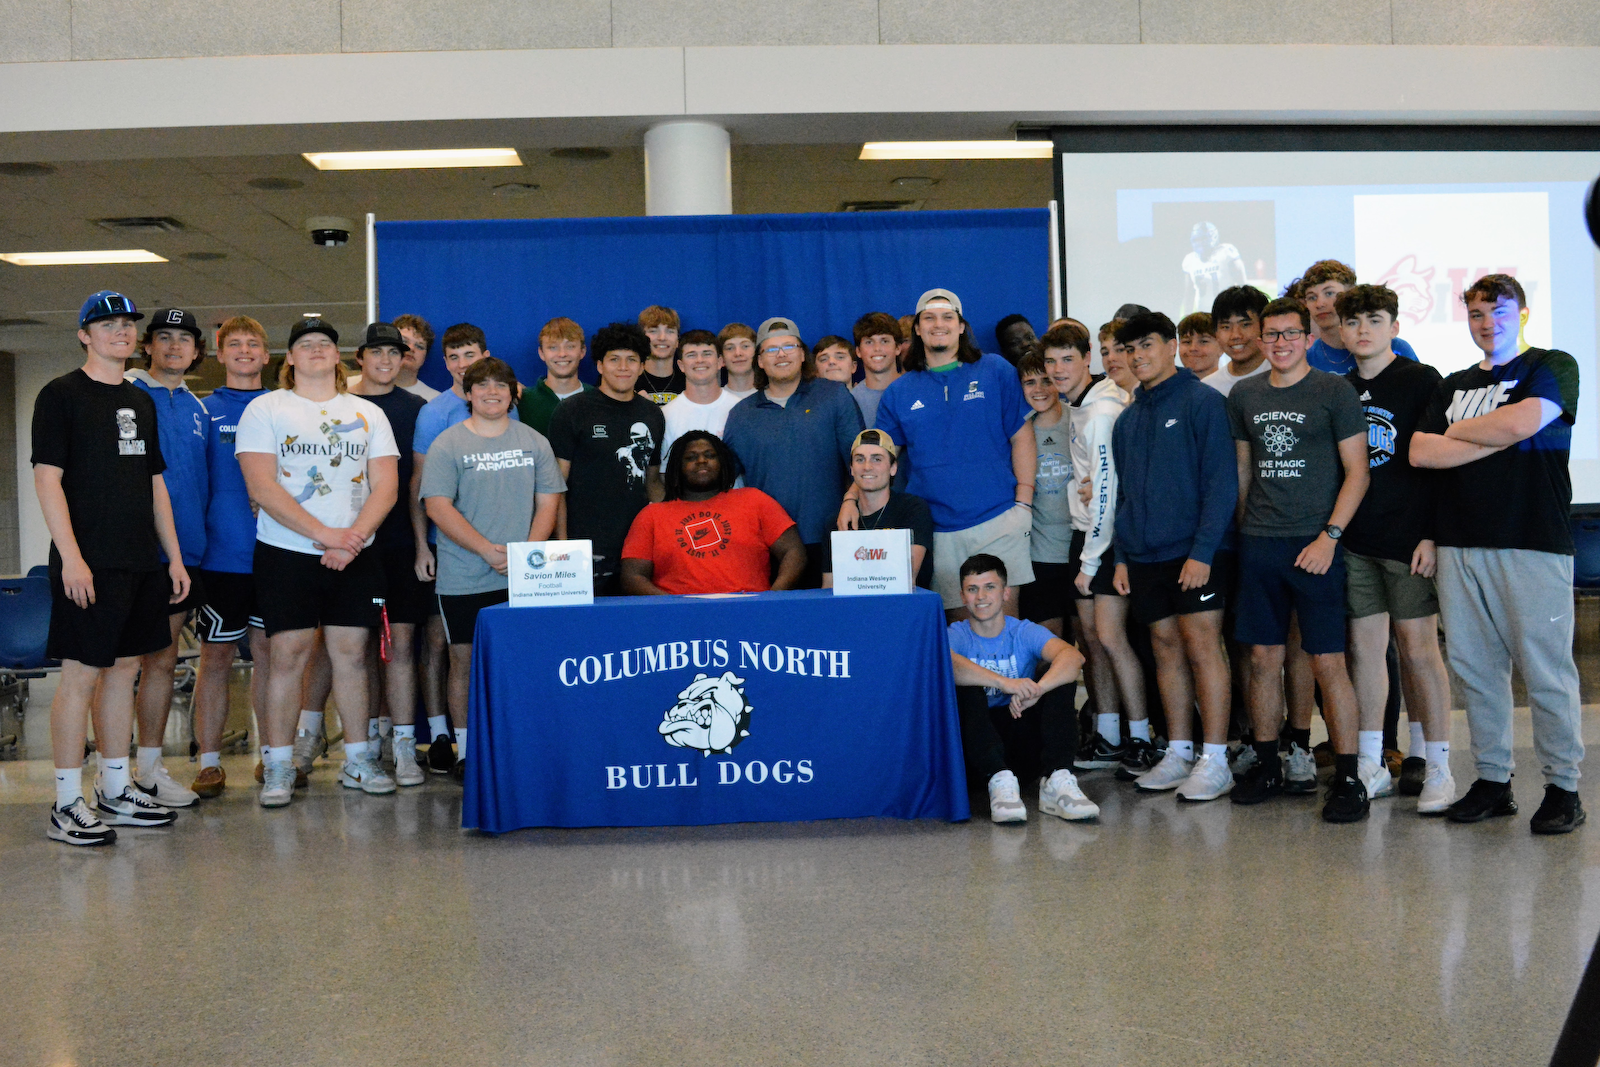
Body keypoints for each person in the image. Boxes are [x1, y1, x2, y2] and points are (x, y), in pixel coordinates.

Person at [1412, 273, 1586, 834]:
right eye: (1477, 314)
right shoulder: (1452, 384)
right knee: (1475, 670)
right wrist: (1495, 438)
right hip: (1459, 542)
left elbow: (1522, 421)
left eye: (1500, 312)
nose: (1488, 324)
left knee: (1545, 672)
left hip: (1532, 539)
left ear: (1523, 315)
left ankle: (1563, 788)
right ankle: (1492, 781)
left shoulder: (1552, 366)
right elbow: (1420, 453)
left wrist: (1461, 435)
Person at [33, 291, 188, 844]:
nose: (121, 331)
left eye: (127, 323)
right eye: (107, 324)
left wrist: (172, 556)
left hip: (140, 559)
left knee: (125, 671)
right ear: (84, 335)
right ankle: (66, 802)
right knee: (80, 676)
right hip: (88, 562)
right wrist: (72, 557)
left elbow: (154, 483)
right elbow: (47, 479)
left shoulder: (139, 400)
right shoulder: (60, 395)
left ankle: (116, 788)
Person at [235, 317, 400, 807]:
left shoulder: (367, 413)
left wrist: (351, 540)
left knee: (352, 655)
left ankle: (358, 759)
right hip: (287, 553)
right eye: (305, 344)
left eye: (324, 343)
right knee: (287, 657)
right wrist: (325, 535)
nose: (315, 350)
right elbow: (261, 486)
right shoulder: (266, 408)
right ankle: (279, 765)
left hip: (356, 553)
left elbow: (386, 486)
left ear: (337, 355)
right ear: (289, 357)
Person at [1227, 297, 1371, 822]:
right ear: (1260, 340)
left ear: (1308, 338)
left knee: (1328, 662)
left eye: (1291, 333)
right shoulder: (1245, 394)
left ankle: (1349, 779)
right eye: (1272, 334)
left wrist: (1329, 537)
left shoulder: (1334, 391)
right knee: (1263, 659)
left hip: (1317, 546)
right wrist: (1245, 536)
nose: (1281, 342)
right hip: (1261, 545)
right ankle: (1269, 763)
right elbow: (1244, 472)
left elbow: (1358, 472)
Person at [1108, 311, 1238, 800]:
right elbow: (1125, 494)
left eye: (1147, 345)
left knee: (1202, 646)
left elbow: (1221, 483)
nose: (1137, 356)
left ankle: (1216, 758)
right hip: (1145, 555)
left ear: (1170, 346)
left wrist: (1203, 552)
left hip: (1197, 553)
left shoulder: (1202, 402)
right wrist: (1122, 556)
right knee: (1164, 648)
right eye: (1129, 348)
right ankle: (1180, 751)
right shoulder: (1128, 418)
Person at [1334, 284, 1454, 812]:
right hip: (1356, 542)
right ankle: (1371, 761)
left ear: (1395, 328)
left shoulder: (1421, 380)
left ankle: (1439, 765)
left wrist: (1431, 533)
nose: (1363, 330)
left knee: (1418, 650)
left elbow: (1438, 462)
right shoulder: (1337, 389)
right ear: (1340, 332)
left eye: (1375, 320)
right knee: (1365, 650)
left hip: (1409, 541)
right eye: (1353, 322)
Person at [422, 357, 563, 782]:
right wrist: (486, 550)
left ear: (513, 393)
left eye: (500, 385)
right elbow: (437, 507)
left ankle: (524, 748)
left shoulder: (534, 441)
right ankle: (468, 753)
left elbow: (549, 502)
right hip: (464, 575)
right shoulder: (447, 444)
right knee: (463, 661)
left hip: (525, 576)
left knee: (523, 663)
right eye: (481, 385)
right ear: (468, 394)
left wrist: (526, 557)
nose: (491, 392)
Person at [867, 289, 1035, 618]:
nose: (938, 324)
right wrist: (851, 497)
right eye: (929, 318)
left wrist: (1024, 504)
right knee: (958, 634)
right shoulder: (899, 391)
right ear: (918, 329)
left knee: (1004, 627)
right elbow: (878, 457)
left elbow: (1022, 436)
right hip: (937, 530)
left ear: (961, 326)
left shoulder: (995, 370)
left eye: (947, 317)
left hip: (1000, 519)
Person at [411, 322, 511, 771]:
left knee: (497, 649)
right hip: (447, 548)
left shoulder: (507, 403)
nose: (461, 364)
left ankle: (499, 741)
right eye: (453, 357)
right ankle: (441, 736)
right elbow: (420, 486)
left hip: (505, 553)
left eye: (469, 355)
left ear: (485, 356)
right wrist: (422, 545)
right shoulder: (435, 413)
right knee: (442, 643)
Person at [123, 307, 209, 807]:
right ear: (148, 345)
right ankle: (114, 774)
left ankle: (150, 770)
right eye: (165, 337)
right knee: (121, 665)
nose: (175, 346)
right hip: (136, 551)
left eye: (184, 339)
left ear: (196, 351)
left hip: (186, 553)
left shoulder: (198, 408)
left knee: (163, 658)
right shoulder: (129, 394)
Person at [189, 316, 275, 798]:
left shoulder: (285, 408)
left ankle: (273, 756)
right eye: (234, 344)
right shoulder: (204, 411)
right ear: (219, 354)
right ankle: (209, 762)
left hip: (278, 555)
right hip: (221, 558)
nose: (244, 351)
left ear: (267, 354)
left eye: (253, 344)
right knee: (216, 657)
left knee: (271, 657)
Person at [947, 554, 1094, 823]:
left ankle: (1057, 778)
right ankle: (998, 779)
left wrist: (1037, 690)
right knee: (966, 685)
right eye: (972, 589)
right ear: (962, 596)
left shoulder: (1023, 631)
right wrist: (1005, 683)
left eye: (990, 587)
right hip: (976, 752)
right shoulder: (956, 634)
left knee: (1058, 679)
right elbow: (946, 663)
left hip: (1021, 743)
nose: (981, 596)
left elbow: (1074, 658)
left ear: (1005, 593)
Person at [724, 317, 863, 588]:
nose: (781, 355)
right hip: (768, 545)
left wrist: (851, 500)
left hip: (831, 537)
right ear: (759, 360)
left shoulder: (833, 396)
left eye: (789, 346)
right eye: (771, 349)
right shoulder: (741, 414)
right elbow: (722, 483)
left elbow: (860, 460)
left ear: (802, 355)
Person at [349, 321, 429, 786]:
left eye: (393, 353)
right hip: (351, 544)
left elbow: (420, 483)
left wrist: (420, 545)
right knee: (353, 648)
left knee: (399, 645)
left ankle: (403, 745)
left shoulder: (418, 409)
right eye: (376, 352)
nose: (385, 360)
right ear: (360, 357)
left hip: (400, 542)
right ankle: (362, 745)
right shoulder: (340, 405)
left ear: (404, 360)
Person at [1071, 322, 1152, 776]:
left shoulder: (1105, 409)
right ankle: (1113, 736)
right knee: (1101, 641)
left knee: (1114, 639)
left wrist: (1092, 559)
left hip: (1112, 542)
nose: (1113, 358)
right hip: (1102, 538)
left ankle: (1140, 738)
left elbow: (1109, 490)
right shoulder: (1109, 402)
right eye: (1106, 350)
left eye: (1120, 349)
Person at [548, 322, 665, 594]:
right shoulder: (572, 411)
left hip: (639, 550)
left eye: (631, 360)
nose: (623, 367)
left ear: (642, 366)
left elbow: (653, 483)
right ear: (600, 365)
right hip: (586, 550)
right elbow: (556, 487)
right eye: (614, 359)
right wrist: (563, 546)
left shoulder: (652, 414)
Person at [620, 432, 805, 595]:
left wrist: (771, 599)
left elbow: (794, 552)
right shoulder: (651, 515)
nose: (702, 461)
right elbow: (632, 576)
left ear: (723, 462)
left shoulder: (755, 500)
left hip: (750, 610)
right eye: (691, 457)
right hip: (678, 616)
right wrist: (673, 607)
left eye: (710, 455)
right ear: (677, 466)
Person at [820, 429, 933, 589]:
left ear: (893, 468)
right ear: (851, 469)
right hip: (852, 604)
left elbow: (907, 577)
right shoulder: (836, 522)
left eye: (877, 459)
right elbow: (829, 587)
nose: (867, 467)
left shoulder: (912, 509)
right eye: (860, 459)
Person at [1299, 259, 1419, 375]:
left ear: (1349, 294)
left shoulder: (1396, 347)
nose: (1320, 304)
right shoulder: (1305, 357)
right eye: (1311, 297)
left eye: (1329, 293)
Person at [660, 329, 740, 459]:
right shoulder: (667, 415)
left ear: (720, 362)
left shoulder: (739, 409)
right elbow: (665, 469)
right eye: (691, 355)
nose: (700, 360)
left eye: (707, 354)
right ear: (681, 365)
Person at [516, 316, 593, 436]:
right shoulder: (522, 401)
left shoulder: (598, 399)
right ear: (541, 353)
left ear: (582, 351)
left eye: (570, 346)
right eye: (553, 347)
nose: (562, 354)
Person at [1201, 285, 1269, 397]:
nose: (1235, 335)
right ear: (1216, 333)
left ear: (1264, 327)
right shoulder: (1209, 389)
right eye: (1226, 327)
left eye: (1245, 325)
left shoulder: (1283, 376)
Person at [1181, 222, 1248, 315]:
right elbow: (1189, 293)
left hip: (1227, 310)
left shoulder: (1226, 252)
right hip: (1204, 313)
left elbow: (1242, 284)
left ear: (1213, 237)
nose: (1200, 243)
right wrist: (1186, 315)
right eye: (1197, 239)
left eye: (1203, 238)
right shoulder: (1190, 259)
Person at [850, 312, 903, 427]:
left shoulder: (916, 391)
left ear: (898, 348)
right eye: (869, 342)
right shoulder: (850, 401)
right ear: (858, 351)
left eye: (884, 341)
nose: (877, 348)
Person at [638, 305, 685, 404]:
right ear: (641, 338)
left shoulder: (689, 383)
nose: (662, 338)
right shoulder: (629, 382)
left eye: (670, 331)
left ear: (677, 341)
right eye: (653, 331)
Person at [1177, 312, 1225, 378]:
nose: (1193, 348)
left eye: (1203, 341)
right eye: (1187, 342)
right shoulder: (1169, 384)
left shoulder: (1232, 384)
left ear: (1222, 347)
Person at [718, 322, 759, 400]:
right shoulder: (713, 400)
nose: (738, 353)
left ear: (757, 354)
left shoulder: (770, 398)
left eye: (745, 346)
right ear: (721, 360)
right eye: (730, 348)